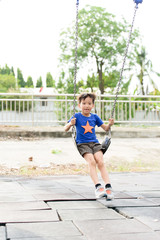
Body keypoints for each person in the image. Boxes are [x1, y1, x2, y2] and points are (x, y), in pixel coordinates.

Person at [64, 92, 114, 200]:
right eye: (84, 103)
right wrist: (70, 123)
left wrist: (109, 124)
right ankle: (98, 187)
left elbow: (105, 128)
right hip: (82, 144)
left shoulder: (95, 117)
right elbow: (65, 128)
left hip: (95, 143)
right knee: (91, 161)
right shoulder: (76, 116)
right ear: (79, 105)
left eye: (89, 103)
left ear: (93, 105)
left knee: (100, 161)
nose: (86, 105)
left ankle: (108, 186)